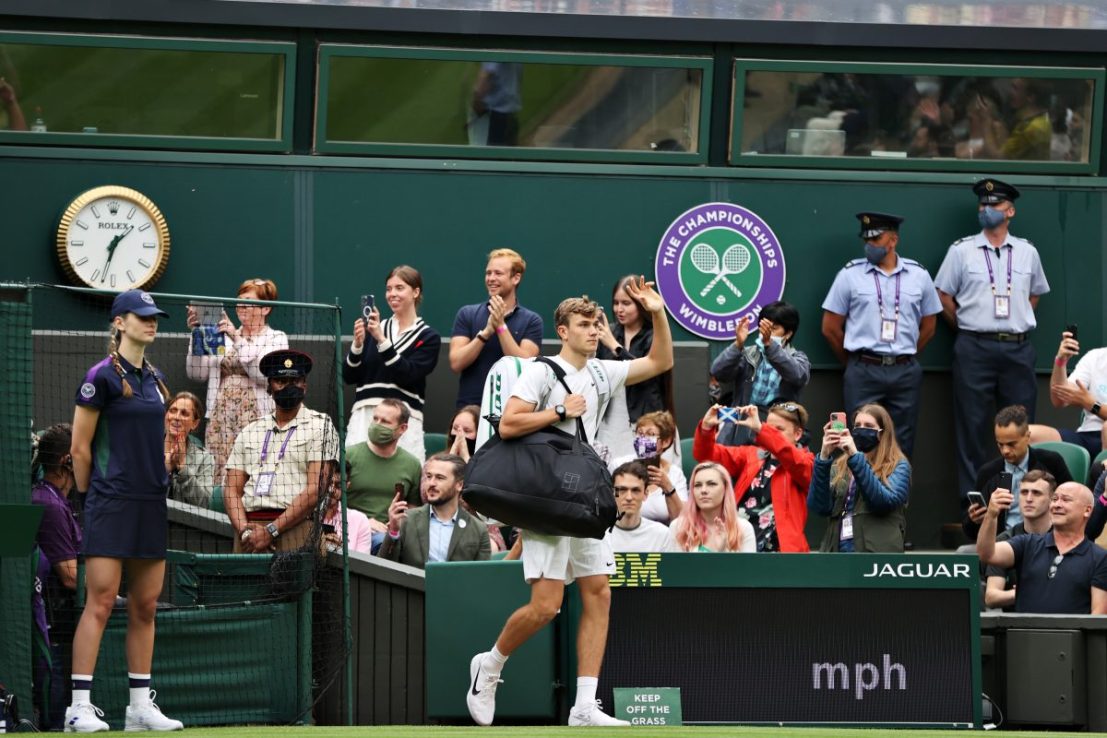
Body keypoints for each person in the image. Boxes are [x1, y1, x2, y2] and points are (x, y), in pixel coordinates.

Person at [465, 277, 672, 728]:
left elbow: (660, 361)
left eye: (596, 324)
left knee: (599, 593)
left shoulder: (604, 371)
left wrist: (657, 312)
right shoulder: (539, 371)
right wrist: (560, 411)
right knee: (546, 606)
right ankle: (490, 664)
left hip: (584, 499)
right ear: (563, 330)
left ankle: (583, 707)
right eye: (584, 325)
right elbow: (508, 425)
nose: (593, 331)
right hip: (546, 500)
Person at [66, 289, 182, 732]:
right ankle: (78, 708)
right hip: (109, 502)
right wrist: (89, 498)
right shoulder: (99, 378)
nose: (151, 323)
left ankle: (139, 709)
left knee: (145, 605)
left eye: (154, 317)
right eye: (142, 316)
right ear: (119, 322)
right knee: (99, 601)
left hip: (150, 502)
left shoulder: (156, 379)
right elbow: (80, 449)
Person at [935, 179, 1050, 496]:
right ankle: (975, 506)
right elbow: (943, 295)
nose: (987, 209)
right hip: (974, 346)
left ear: (1010, 211)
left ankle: (1019, 503)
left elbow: (1035, 295)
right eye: (983, 204)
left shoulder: (1027, 252)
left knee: (1021, 428)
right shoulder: (961, 251)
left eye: (995, 205)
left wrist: (1013, 322)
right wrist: (968, 325)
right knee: (971, 428)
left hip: (1017, 348)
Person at [821, 212, 942, 457]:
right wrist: (854, 362)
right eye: (866, 240)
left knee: (902, 440)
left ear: (893, 240)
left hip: (904, 370)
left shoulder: (919, 275)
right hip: (863, 368)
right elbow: (830, 327)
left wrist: (904, 355)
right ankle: (856, 483)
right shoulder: (850, 274)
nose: (870, 245)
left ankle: (896, 484)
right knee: (859, 438)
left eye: (876, 239)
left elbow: (929, 325)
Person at [224, 349, 339, 553]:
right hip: (249, 534)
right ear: (269, 387)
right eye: (281, 381)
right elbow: (232, 490)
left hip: (298, 529)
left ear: (305, 385)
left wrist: (271, 531)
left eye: (295, 381)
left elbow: (316, 489)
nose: (289, 387)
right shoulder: (250, 430)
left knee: (296, 576)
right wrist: (245, 532)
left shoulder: (321, 426)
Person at [186, 278, 287, 484]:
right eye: (239, 301)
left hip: (257, 418)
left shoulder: (275, 338)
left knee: (253, 472)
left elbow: (263, 374)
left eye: (248, 301)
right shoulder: (222, 337)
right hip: (221, 418)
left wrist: (237, 339)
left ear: (266, 308)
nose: (240, 306)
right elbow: (197, 373)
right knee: (219, 474)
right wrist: (197, 335)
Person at [343, 265, 441, 462]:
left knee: (403, 475)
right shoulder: (374, 329)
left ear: (415, 292)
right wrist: (358, 345)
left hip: (404, 419)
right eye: (388, 289)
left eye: (399, 288)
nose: (392, 294)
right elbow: (348, 376)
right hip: (366, 415)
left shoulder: (428, 337)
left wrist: (381, 339)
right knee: (357, 472)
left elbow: (408, 374)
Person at [694, 401, 814, 552]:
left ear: (798, 434)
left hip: (781, 553)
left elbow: (791, 457)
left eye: (779, 429)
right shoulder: (751, 455)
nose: (772, 433)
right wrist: (706, 428)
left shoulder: (806, 462)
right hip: (739, 546)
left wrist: (762, 430)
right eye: (769, 428)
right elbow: (705, 455)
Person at [978, 482, 1107, 614]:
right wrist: (991, 515)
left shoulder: (1100, 558)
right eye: (1054, 499)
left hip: (1073, 629)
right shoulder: (1027, 543)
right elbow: (987, 554)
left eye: (1066, 500)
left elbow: (1098, 616)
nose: (1057, 505)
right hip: (1023, 628)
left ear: (1087, 510)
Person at [808, 403, 911, 553]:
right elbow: (819, 507)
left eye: (868, 426)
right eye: (857, 425)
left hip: (875, 554)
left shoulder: (898, 465)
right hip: (838, 552)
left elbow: (884, 502)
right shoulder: (841, 465)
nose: (862, 429)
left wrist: (855, 456)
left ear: (882, 433)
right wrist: (823, 458)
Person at [31, 424, 81, 731]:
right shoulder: (47, 503)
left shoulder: (59, 500)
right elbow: (71, 577)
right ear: (67, 460)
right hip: (57, 628)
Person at [449, 248, 542, 408]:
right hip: (470, 409)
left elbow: (524, 367)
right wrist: (485, 334)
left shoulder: (532, 321)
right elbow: (456, 363)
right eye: (488, 273)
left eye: (498, 273)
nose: (491, 278)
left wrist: (500, 326)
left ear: (516, 278)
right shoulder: (467, 314)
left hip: (511, 411)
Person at [963, 405, 1072, 541]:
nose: (1005, 451)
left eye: (1011, 444)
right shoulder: (988, 472)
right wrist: (975, 520)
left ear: (1027, 437)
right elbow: (970, 532)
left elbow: (1071, 505)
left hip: (1045, 540)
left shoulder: (1051, 462)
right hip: (1001, 543)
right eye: (1000, 444)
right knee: (964, 551)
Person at [710, 301, 809, 446]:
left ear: (788, 334)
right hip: (740, 429)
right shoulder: (748, 354)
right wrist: (738, 345)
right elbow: (718, 372)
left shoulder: (797, 358)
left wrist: (770, 346)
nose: (766, 333)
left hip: (776, 429)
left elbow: (798, 376)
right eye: (764, 327)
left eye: (773, 329)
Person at [379, 453, 491, 568]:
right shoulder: (406, 520)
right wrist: (393, 532)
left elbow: (482, 575)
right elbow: (382, 568)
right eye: (428, 476)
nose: (431, 483)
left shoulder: (478, 529)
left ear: (459, 485)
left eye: (439, 478)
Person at [345, 398, 423, 553]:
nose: (377, 425)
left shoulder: (412, 465)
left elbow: (413, 509)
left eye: (385, 421)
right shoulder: (348, 455)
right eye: (375, 418)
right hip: (350, 530)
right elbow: (331, 502)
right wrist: (363, 522)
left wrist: (396, 525)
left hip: (390, 535)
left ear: (402, 428)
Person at [596, 274, 674, 424]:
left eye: (626, 303)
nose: (619, 309)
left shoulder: (654, 336)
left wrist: (616, 347)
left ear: (640, 304)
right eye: (616, 303)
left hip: (645, 421)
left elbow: (648, 373)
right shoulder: (607, 332)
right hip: (608, 420)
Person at [1029, 327, 1107, 457]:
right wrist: (1061, 361)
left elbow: (1088, 403)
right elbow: (1060, 400)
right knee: (1027, 435)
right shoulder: (1095, 357)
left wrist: (1092, 404)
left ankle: (1102, 470)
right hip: (1086, 435)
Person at [984, 470, 1056, 610]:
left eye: (1036, 493)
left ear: (1052, 499)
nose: (1028, 499)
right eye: (1024, 492)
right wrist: (1022, 592)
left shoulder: (1063, 536)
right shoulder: (1005, 540)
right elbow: (991, 597)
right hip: (1016, 618)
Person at [611, 410, 686, 524]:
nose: (642, 439)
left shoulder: (675, 474)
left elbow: (681, 521)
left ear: (665, 441)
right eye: (640, 433)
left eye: (650, 434)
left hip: (662, 533)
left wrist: (668, 487)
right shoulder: (618, 466)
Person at [670, 461, 756, 553]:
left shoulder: (743, 528)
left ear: (725, 489)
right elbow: (673, 563)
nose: (703, 490)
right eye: (698, 485)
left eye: (711, 484)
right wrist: (689, 560)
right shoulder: (678, 527)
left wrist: (722, 552)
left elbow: (748, 563)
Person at [603, 461, 676, 553]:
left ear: (645, 494)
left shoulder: (662, 535)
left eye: (635, 490)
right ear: (613, 493)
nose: (629, 497)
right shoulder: (599, 535)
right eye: (622, 490)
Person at [163, 392, 214, 508]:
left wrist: (183, 469)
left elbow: (205, 503)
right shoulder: (149, 447)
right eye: (172, 411)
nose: (176, 417)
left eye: (184, 413)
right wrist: (165, 470)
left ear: (194, 423)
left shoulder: (204, 458)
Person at [320, 463, 374, 555]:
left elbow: (360, 561)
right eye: (328, 483)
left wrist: (339, 550)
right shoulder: (308, 515)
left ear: (347, 486)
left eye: (338, 485)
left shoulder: (360, 520)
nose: (331, 490)